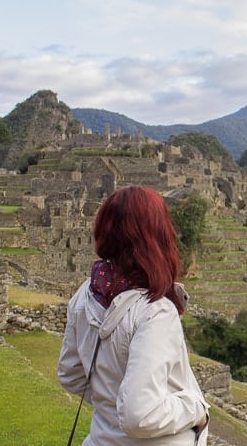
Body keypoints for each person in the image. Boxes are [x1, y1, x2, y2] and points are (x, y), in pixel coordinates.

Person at [58, 185, 209, 445]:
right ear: (159, 235)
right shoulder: (155, 311)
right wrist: (195, 411)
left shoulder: (86, 294)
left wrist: (112, 402)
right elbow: (140, 416)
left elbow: (71, 375)